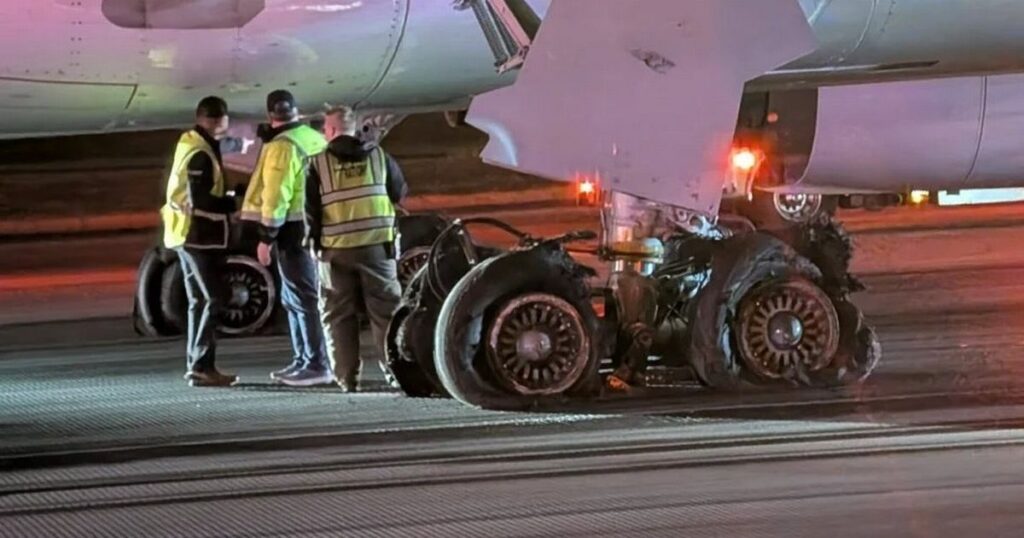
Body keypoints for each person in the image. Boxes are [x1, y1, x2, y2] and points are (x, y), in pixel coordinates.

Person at [307, 106, 408, 392]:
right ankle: (397, 373)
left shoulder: (317, 164)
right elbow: (399, 192)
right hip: (377, 248)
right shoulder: (378, 156)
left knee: (337, 316)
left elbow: (311, 212)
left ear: (330, 131)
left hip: (335, 252)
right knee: (386, 313)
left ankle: (347, 379)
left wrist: (314, 246)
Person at [241, 90, 332, 387]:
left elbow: (276, 196)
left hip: (292, 231)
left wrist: (266, 237)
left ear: (270, 116)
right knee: (299, 296)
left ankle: (315, 363)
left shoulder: (282, 146)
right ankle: (305, 359)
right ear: (296, 111)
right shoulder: (313, 137)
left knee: (301, 297)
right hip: (316, 225)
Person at [160, 96, 238, 387]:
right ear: (220, 121)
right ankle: (202, 365)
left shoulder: (190, 142)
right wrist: (231, 205)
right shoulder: (201, 153)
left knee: (198, 300)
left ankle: (196, 365)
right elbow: (201, 198)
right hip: (199, 235)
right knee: (214, 298)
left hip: (184, 233)